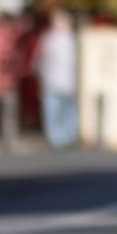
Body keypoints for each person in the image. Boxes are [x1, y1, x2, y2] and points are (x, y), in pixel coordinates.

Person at [34, 8, 79, 150]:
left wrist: (40, 77)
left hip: (52, 81)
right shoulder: (71, 40)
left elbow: (38, 62)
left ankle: (56, 139)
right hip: (66, 82)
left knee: (53, 112)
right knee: (66, 111)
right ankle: (66, 138)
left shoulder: (48, 39)